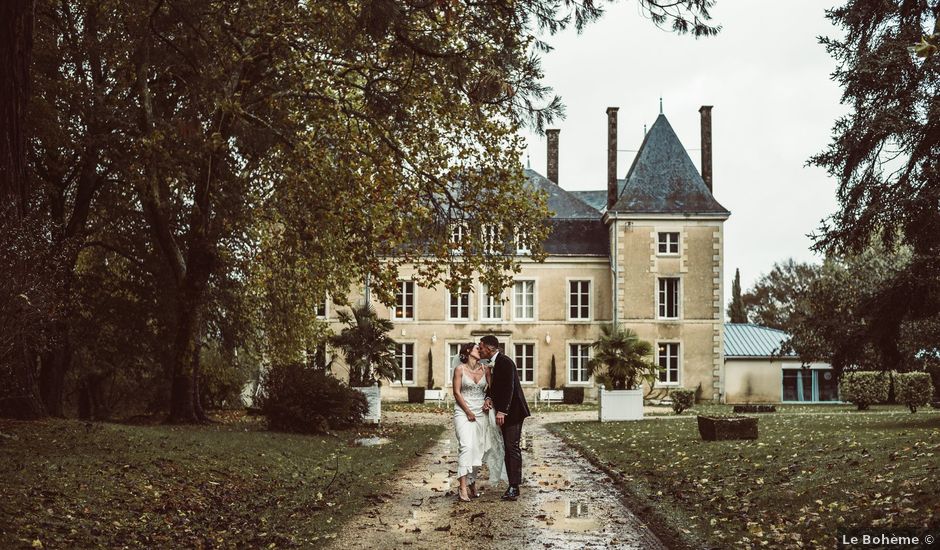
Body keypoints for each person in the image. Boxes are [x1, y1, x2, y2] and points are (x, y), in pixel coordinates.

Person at [480, 334, 531, 501]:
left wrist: (502, 411)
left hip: (514, 411)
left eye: (481, 346)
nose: (479, 349)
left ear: (489, 348)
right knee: (508, 448)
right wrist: (488, 397)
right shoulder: (492, 363)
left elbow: (509, 388)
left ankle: (514, 486)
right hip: (505, 411)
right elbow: (495, 387)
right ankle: (512, 484)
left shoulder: (505, 362)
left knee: (512, 447)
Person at [451, 342, 490, 502]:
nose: (480, 350)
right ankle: (462, 486)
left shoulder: (486, 369)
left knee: (478, 449)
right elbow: (456, 392)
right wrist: (467, 411)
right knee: (466, 446)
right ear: (468, 351)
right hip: (463, 411)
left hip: (481, 413)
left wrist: (488, 400)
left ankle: (472, 482)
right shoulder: (460, 369)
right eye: (476, 348)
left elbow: (491, 390)